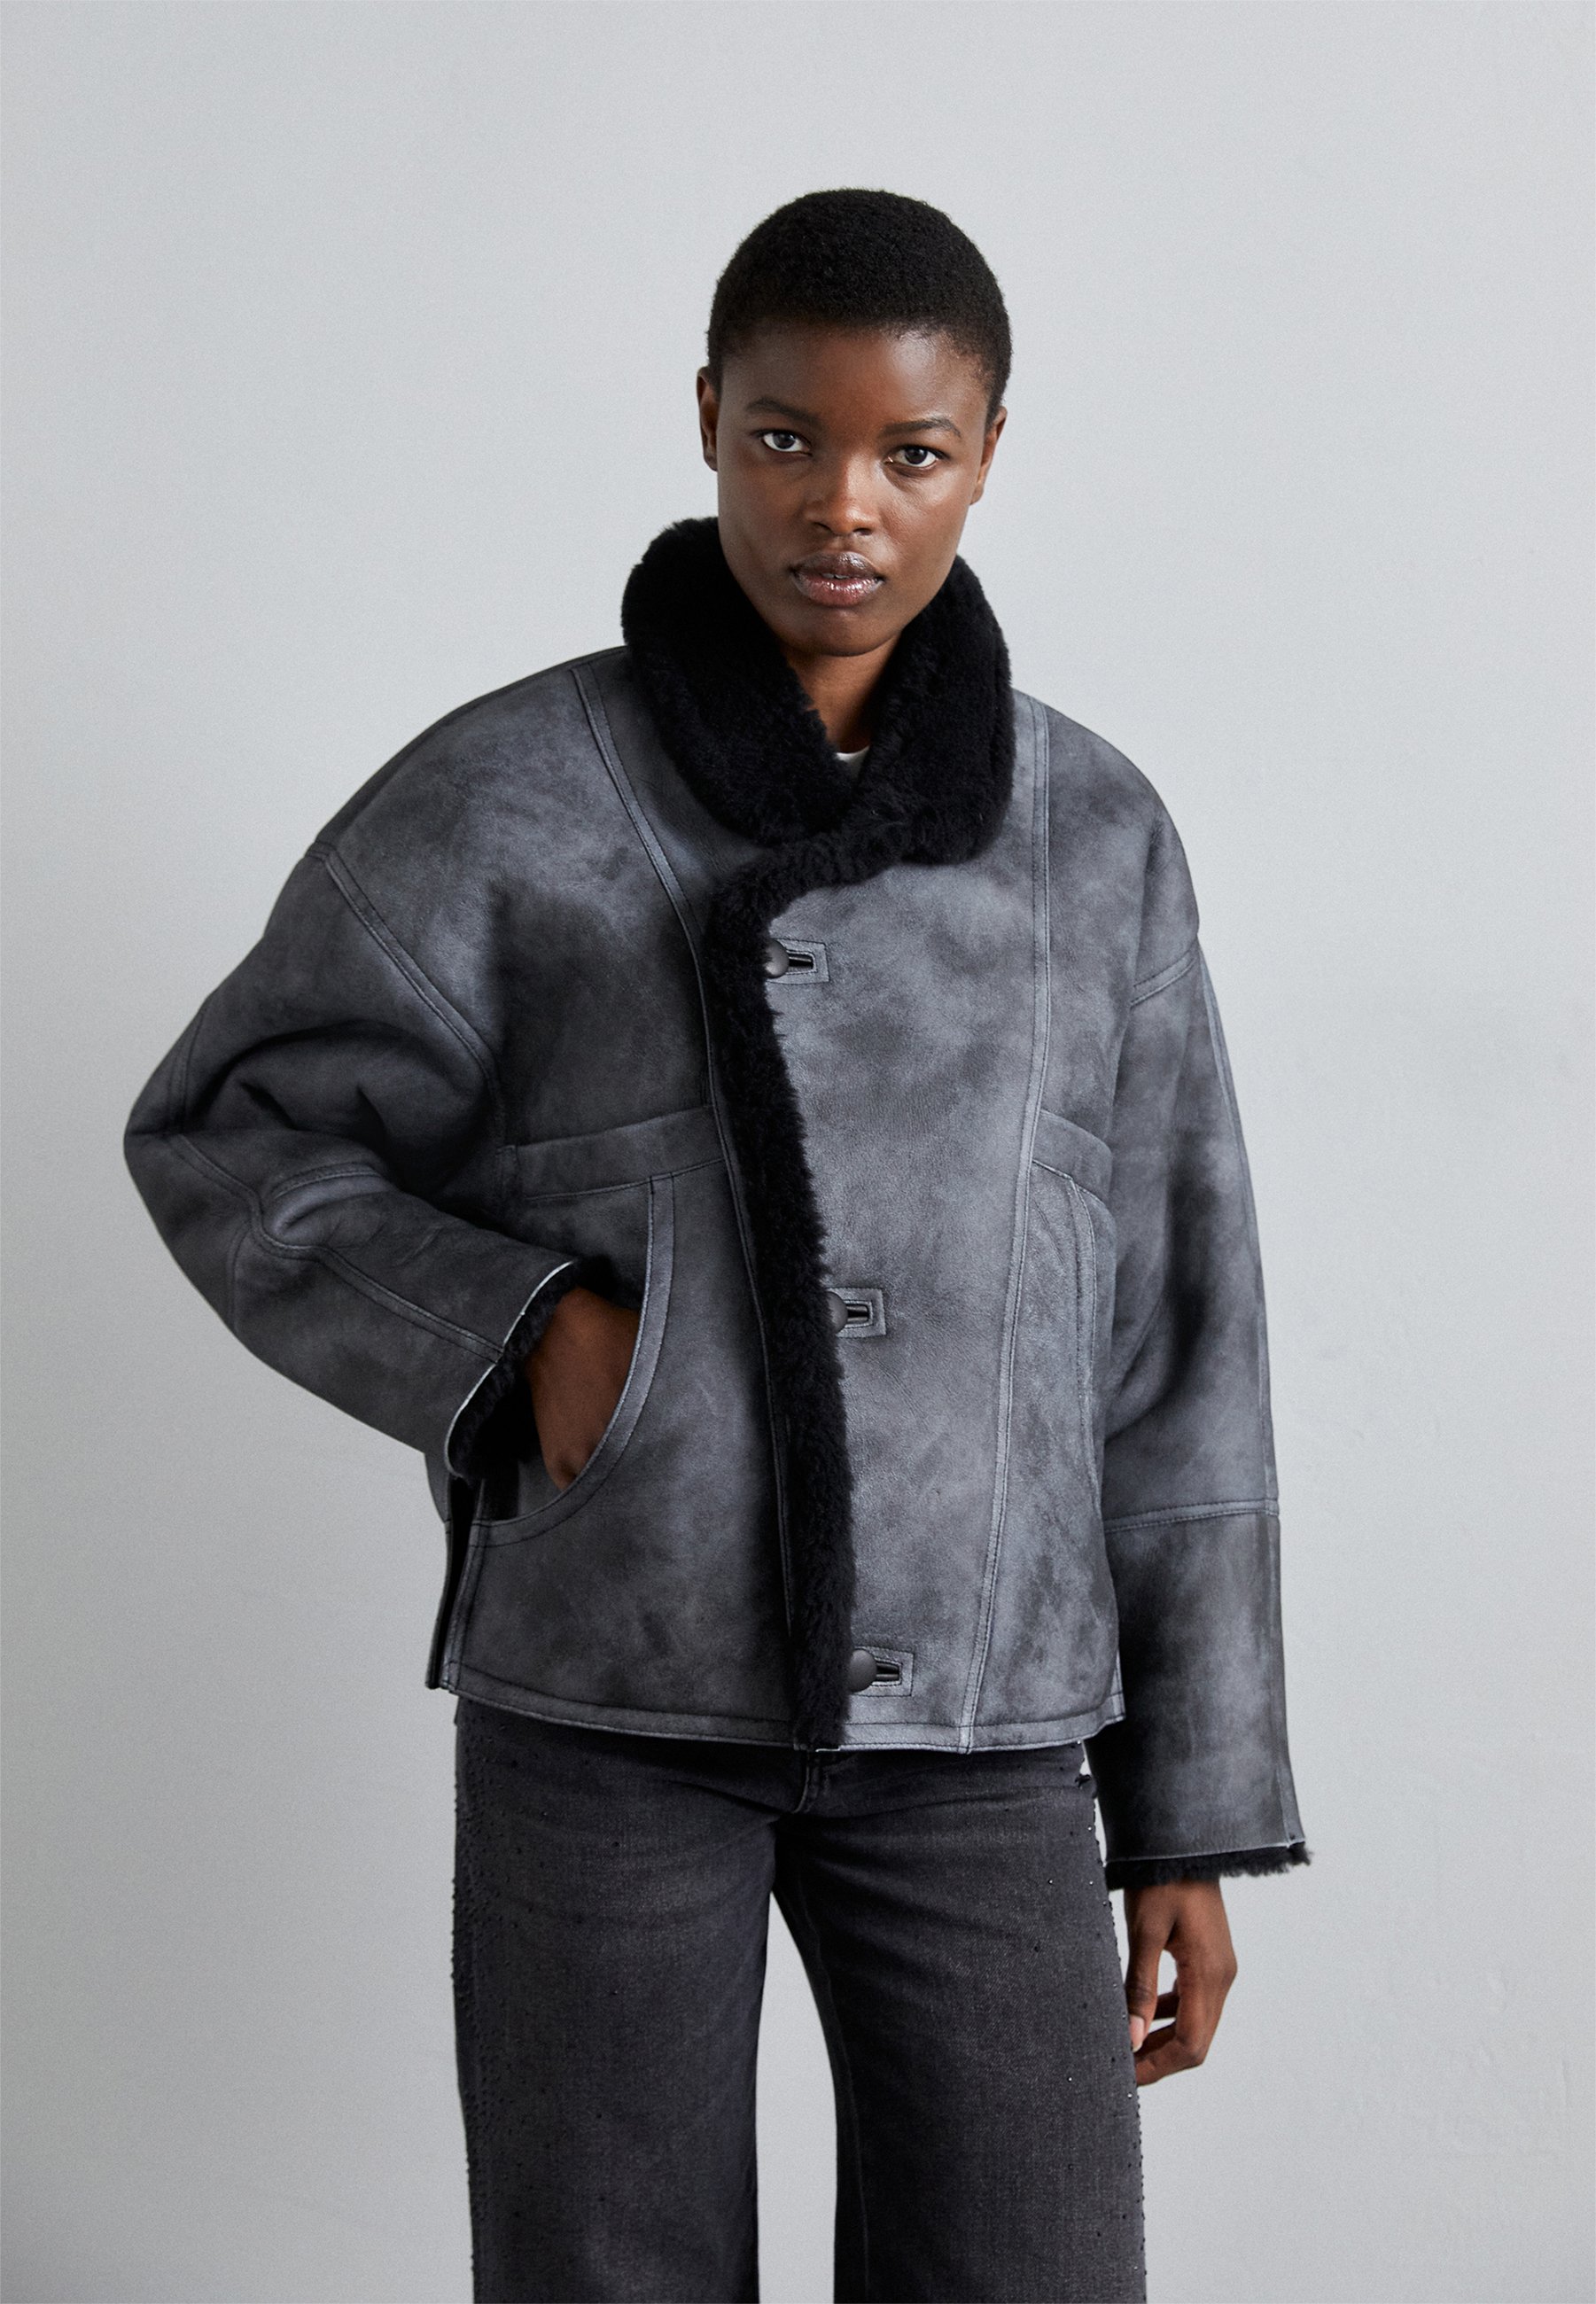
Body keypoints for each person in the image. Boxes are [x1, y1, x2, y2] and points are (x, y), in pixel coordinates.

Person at [124, 189, 1310, 2304]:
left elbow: (1176, 1336)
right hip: (614, 1685)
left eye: (908, 452)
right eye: (785, 437)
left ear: (987, 452)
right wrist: (524, 1333)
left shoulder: (1092, 831)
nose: (842, 503)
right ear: (704, 418)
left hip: (986, 1725)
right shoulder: (517, 790)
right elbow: (232, 1130)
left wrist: (1185, 1812)